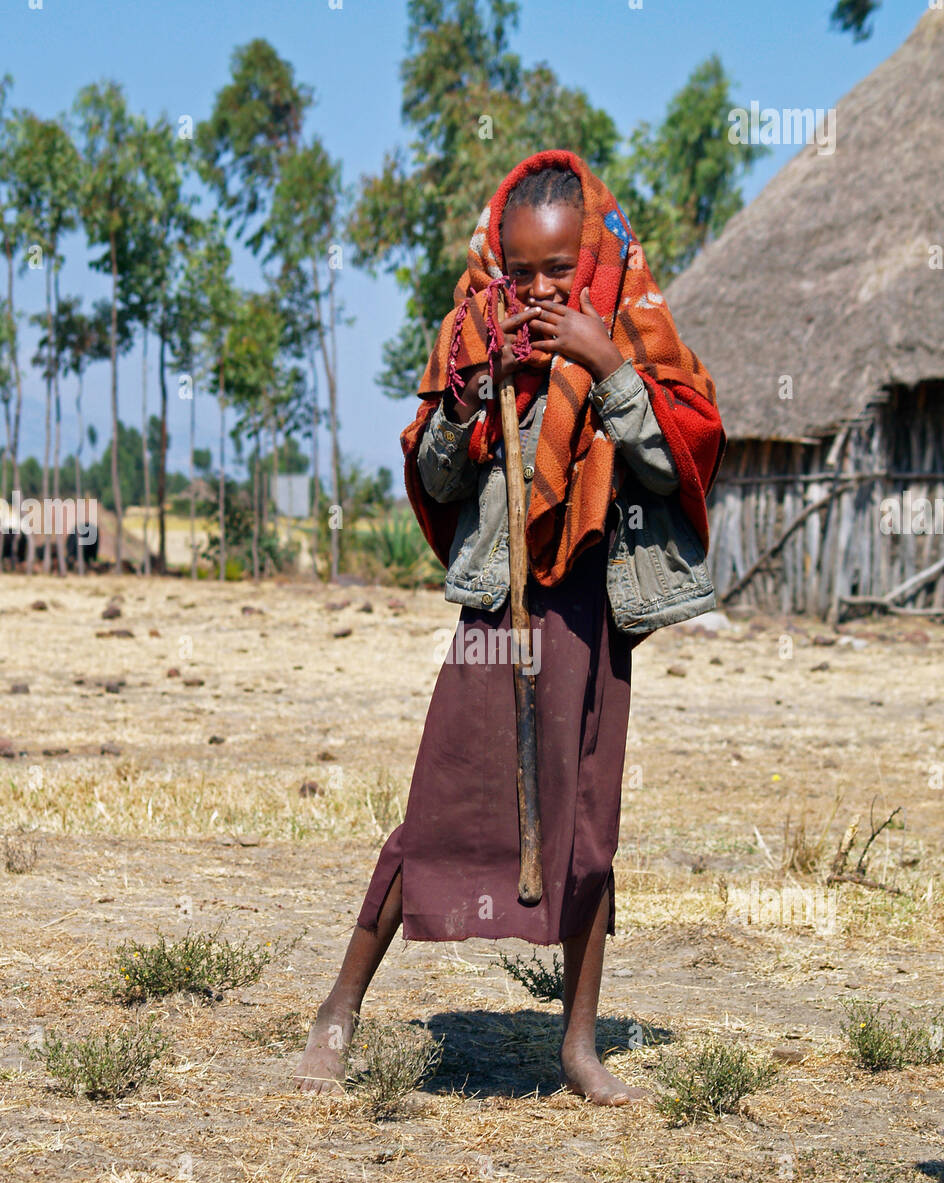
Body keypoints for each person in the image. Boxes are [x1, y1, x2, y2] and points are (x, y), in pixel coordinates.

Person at [296, 149, 724, 1105]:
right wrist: (466, 405)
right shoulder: (471, 338)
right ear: (498, 258)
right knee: (441, 802)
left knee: (589, 826)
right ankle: (338, 1009)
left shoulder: (628, 334)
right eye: (520, 269)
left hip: (589, 611)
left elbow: (677, 458)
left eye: (556, 271)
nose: (536, 289)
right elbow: (437, 482)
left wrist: (604, 365)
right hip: (501, 610)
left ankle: (576, 1047)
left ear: (594, 255)